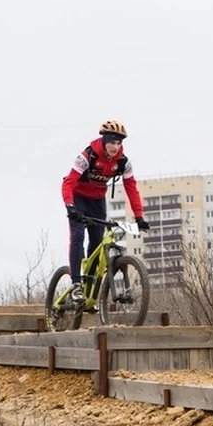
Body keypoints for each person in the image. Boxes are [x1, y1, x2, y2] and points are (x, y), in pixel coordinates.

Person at [61, 120, 151, 303]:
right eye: (111, 142)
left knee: (96, 241)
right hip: (77, 197)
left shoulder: (123, 162)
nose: (115, 147)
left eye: (118, 143)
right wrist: (70, 206)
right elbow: (69, 182)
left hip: (96, 201)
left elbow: (131, 188)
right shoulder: (87, 156)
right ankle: (76, 284)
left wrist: (139, 216)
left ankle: (91, 288)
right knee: (78, 236)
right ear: (104, 141)